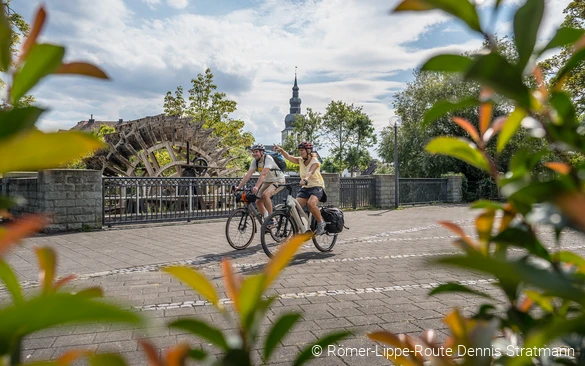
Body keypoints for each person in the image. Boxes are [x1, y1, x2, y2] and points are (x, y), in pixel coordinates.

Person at [273, 141, 327, 235]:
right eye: (300, 150)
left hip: (316, 186)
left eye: (302, 150)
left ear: (308, 150)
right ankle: (298, 228)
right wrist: (281, 150)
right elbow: (289, 158)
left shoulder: (315, 161)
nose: (301, 152)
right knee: (294, 207)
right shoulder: (301, 160)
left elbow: (310, 172)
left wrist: (305, 179)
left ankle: (321, 223)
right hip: (306, 188)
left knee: (311, 204)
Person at [234, 144, 285, 221]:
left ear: (262, 152)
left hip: (278, 180)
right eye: (253, 152)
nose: (254, 154)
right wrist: (239, 187)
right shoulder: (255, 161)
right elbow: (248, 175)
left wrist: (257, 187)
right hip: (267, 181)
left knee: (266, 194)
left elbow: (263, 173)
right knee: (258, 201)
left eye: (256, 151)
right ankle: (266, 219)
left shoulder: (268, 159)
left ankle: (271, 219)